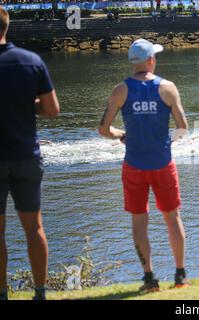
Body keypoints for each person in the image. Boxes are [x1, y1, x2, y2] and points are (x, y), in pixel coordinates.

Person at [98, 39, 189, 292]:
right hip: (162, 162)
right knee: (172, 218)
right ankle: (180, 275)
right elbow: (183, 128)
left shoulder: (120, 90)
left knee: (139, 222)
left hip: (134, 165)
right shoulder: (168, 88)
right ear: (151, 60)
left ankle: (149, 279)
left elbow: (103, 129)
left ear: (133, 63)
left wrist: (120, 135)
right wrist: (164, 141)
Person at [0, 7, 60, 300]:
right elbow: (52, 110)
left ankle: (2, 293)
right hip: (26, 155)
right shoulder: (31, 61)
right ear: (6, 28)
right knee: (34, 228)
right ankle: (40, 293)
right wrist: (27, 104)